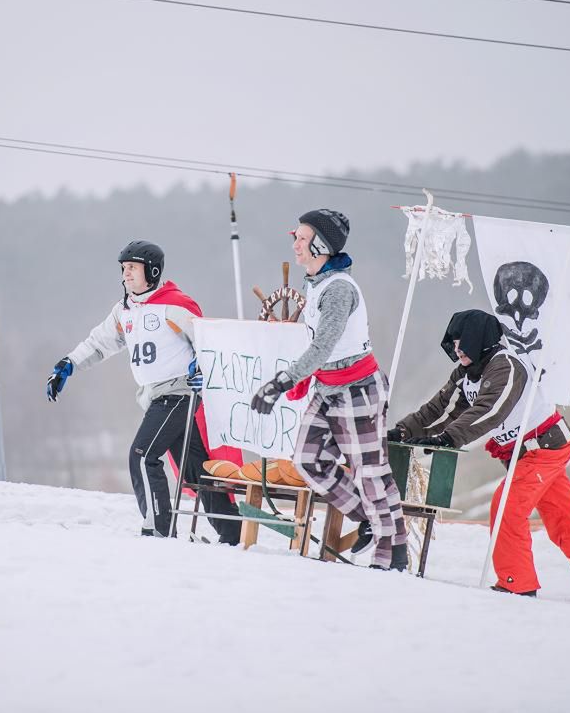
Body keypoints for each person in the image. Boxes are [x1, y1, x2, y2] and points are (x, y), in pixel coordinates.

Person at [390, 309, 570, 602]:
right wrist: (403, 432)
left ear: (480, 340)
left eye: (463, 342)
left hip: (544, 448)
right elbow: (439, 409)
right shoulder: (466, 373)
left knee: (506, 505)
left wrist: (448, 438)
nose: (457, 349)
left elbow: (490, 411)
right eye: (454, 343)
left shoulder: (506, 366)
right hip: (523, 454)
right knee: (563, 520)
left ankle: (516, 583)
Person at [45, 240, 242, 544]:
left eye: (132, 268)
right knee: (194, 472)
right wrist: (68, 364)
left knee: (141, 455)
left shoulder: (175, 305)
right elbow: (99, 343)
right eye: (123, 268)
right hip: (154, 397)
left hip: (179, 394)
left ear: (151, 271)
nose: (126, 274)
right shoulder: (125, 310)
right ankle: (232, 533)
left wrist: (202, 369)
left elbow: (208, 343)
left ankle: (158, 530)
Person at [250, 209, 408, 570]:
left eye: (301, 238)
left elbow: (323, 346)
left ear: (321, 245)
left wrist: (281, 382)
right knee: (308, 460)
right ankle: (368, 518)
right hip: (327, 387)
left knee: (371, 473)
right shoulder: (317, 282)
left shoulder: (338, 289)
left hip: (357, 389)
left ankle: (393, 553)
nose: (295, 244)